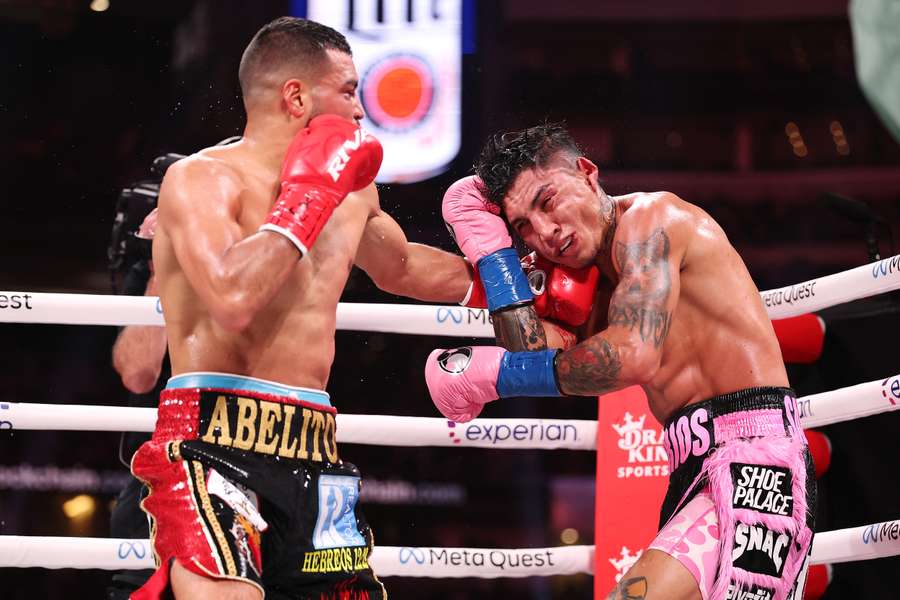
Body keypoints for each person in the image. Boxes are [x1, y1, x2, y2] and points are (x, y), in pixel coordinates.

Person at [131, 16, 473, 600]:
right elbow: (232, 298)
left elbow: (404, 268)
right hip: (211, 437)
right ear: (296, 96)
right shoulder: (202, 180)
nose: (362, 111)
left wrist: (519, 279)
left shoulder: (353, 190)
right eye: (347, 91)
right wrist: (308, 196)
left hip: (313, 444)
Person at [425, 122, 815, 600]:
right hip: (693, 469)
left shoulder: (654, 221)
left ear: (587, 174)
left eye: (548, 202)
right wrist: (495, 257)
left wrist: (498, 377)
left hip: (754, 462)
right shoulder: (586, 282)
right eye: (523, 225)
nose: (544, 232)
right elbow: (534, 350)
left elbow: (630, 355)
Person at [107, 207, 168, 600]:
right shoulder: (147, 271)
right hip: (154, 472)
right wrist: (163, 266)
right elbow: (138, 373)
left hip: (246, 458)